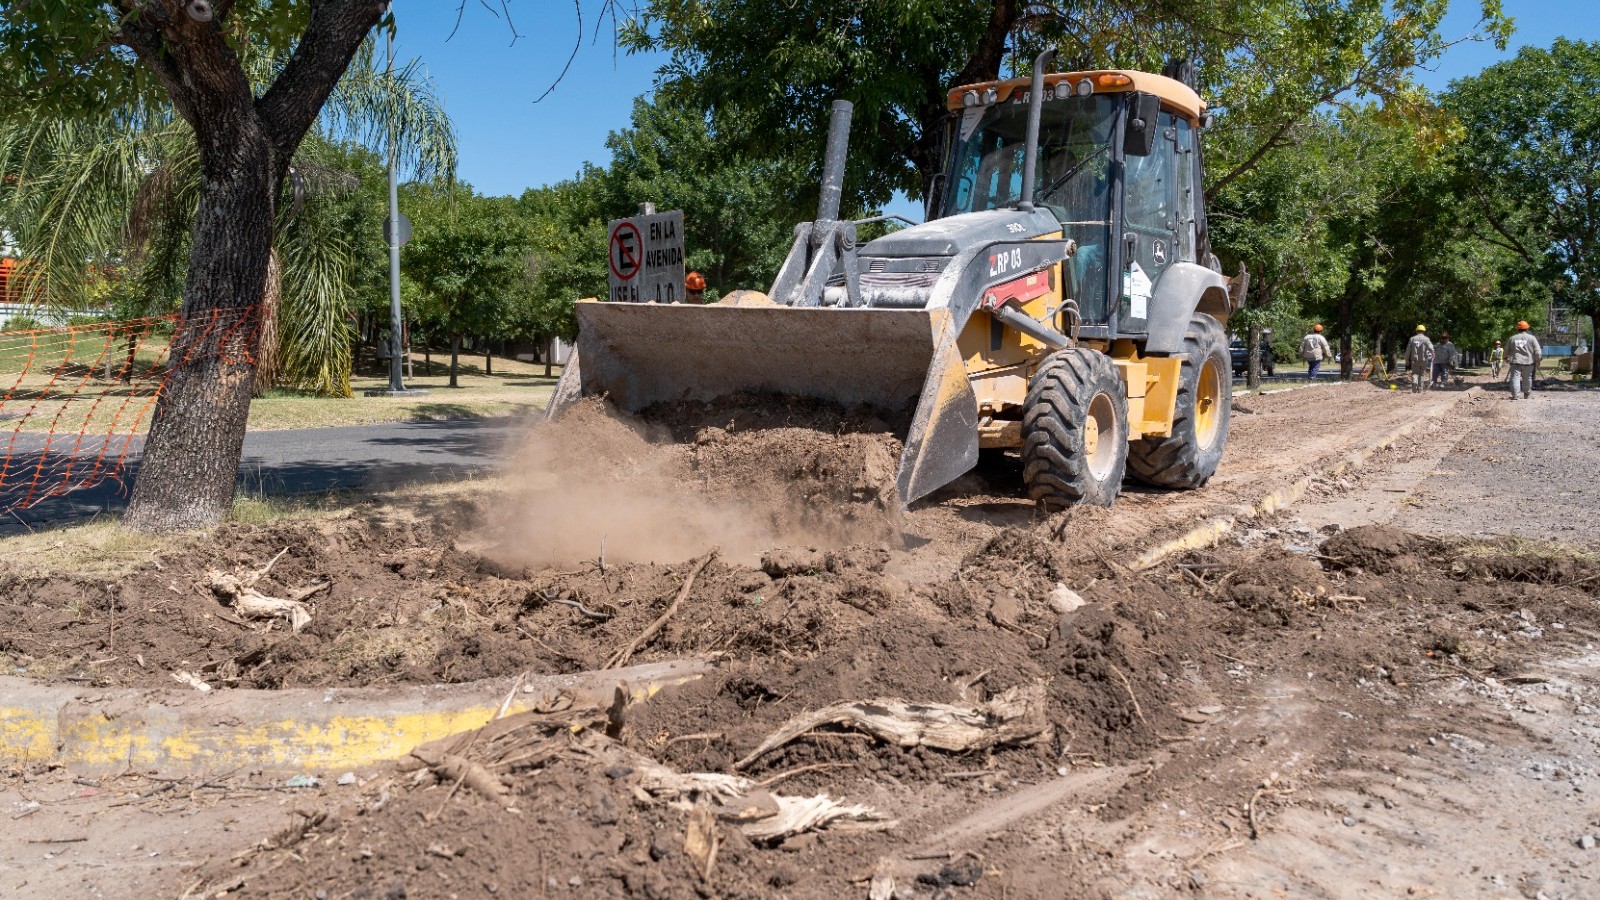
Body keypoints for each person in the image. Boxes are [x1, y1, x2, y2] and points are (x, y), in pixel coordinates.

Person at [1506, 320, 1542, 400]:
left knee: (1515, 377)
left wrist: (1506, 357)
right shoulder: (1532, 338)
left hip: (1515, 362)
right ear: (1527, 328)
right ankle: (1527, 394)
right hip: (1528, 362)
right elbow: (1537, 351)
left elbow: (1506, 350)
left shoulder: (1512, 338)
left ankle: (1515, 395)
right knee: (1527, 378)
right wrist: (1538, 359)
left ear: (1517, 328)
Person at [1405, 325, 1434, 393]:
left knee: (1415, 373)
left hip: (1414, 360)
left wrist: (1406, 360)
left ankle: (1415, 381)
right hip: (1423, 360)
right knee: (1422, 375)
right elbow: (1430, 347)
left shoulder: (1412, 339)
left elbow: (1408, 351)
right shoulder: (1426, 339)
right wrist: (1433, 352)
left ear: (1416, 331)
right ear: (1424, 331)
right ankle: (1420, 390)